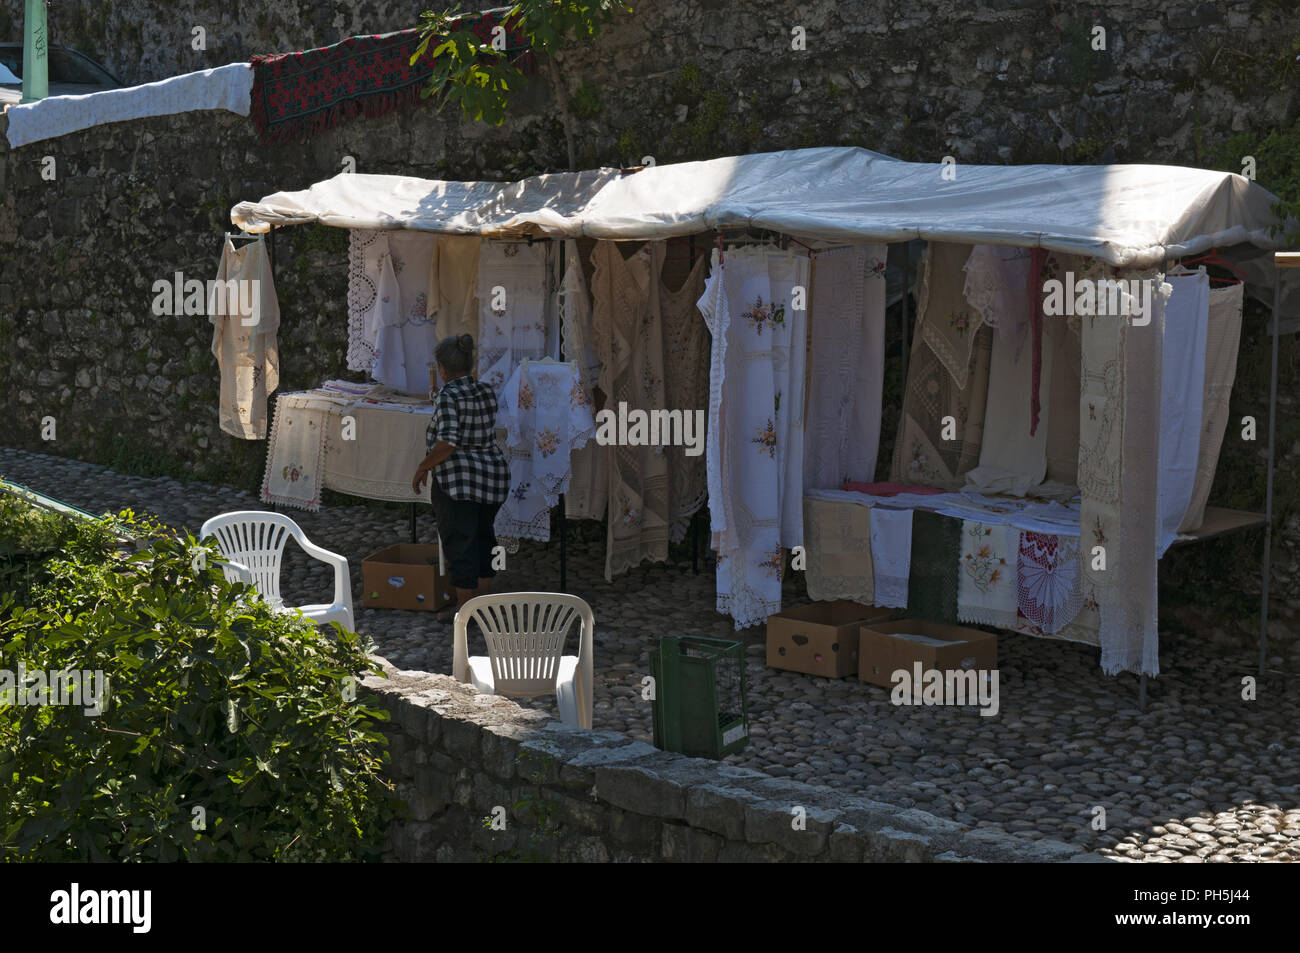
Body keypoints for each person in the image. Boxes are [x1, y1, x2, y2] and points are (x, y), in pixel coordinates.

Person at [412, 334, 509, 623]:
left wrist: (422, 467)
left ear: (442, 369)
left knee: (460, 542)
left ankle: (465, 613)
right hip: (492, 475)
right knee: (483, 537)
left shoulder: (448, 395)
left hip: (458, 481)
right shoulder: (486, 390)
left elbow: (448, 442)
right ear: (472, 364)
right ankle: (481, 603)